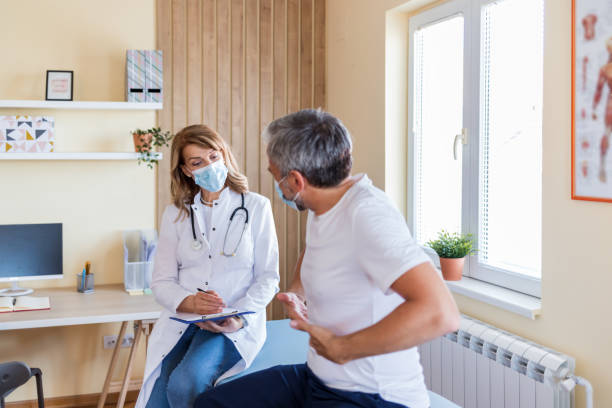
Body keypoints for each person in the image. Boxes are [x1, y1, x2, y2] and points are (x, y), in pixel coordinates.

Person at [194, 109, 460, 408]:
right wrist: (297, 292)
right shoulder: (326, 204)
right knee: (211, 404)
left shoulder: (368, 216)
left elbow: (441, 313)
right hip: (318, 379)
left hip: (371, 396)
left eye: (274, 175)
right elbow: (315, 249)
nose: (276, 184)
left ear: (295, 181)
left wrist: (343, 348)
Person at [135, 124, 280, 408]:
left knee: (186, 381)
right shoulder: (176, 214)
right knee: (158, 395)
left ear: (224, 155)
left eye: (214, 157)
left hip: (234, 322)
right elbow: (161, 282)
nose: (209, 166)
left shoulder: (255, 207)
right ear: (186, 170)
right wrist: (190, 302)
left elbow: (268, 277)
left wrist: (239, 317)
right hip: (184, 320)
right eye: (197, 162)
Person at [592, 37, 612, 182]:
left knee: (606, 134)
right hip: (610, 106)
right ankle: (602, 168)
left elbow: (599, 90)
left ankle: (602, 168)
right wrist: (593, 108)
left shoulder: (605, 69)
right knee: (606, 134)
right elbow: (598, 90)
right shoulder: (605, 69)